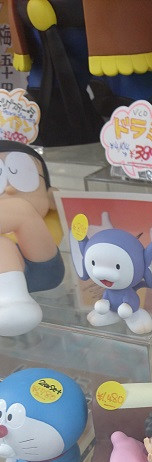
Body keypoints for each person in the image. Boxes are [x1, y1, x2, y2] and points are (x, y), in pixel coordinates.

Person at [0, 141, 64, 336]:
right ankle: (10, 299)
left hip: (40, 266)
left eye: (22, 176)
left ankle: (13, 303)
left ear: (51, 197)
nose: (9, 189)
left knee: (22, 211)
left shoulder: (29, 214)